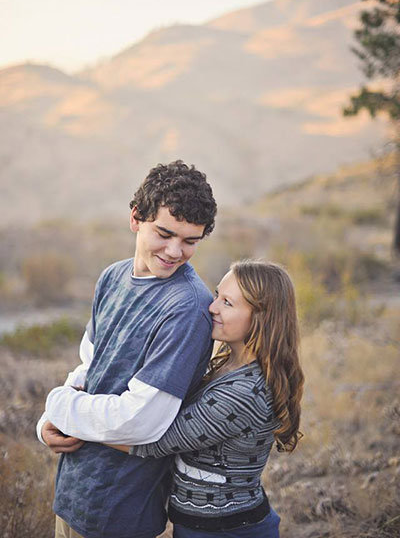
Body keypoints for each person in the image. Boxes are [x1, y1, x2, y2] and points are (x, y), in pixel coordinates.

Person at [37, 160, 217, 538]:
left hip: (121, 509)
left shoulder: (186, 307)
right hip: (72, 491)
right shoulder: (113, 276)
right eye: (164, 233)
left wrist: (59, 406)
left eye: (190, 241)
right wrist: (48, 423)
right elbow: (90, 365)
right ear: (136, 218)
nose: (174, 251)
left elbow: (141, 420)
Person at [107, 259, 305, 538]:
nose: (212, 307)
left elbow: (153, 441)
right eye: (217, 295)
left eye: (228, 303)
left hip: (227, 531)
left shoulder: (244, 392)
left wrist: (77, 424)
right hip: (203, 525)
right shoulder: (227, 364)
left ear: (262, 316)